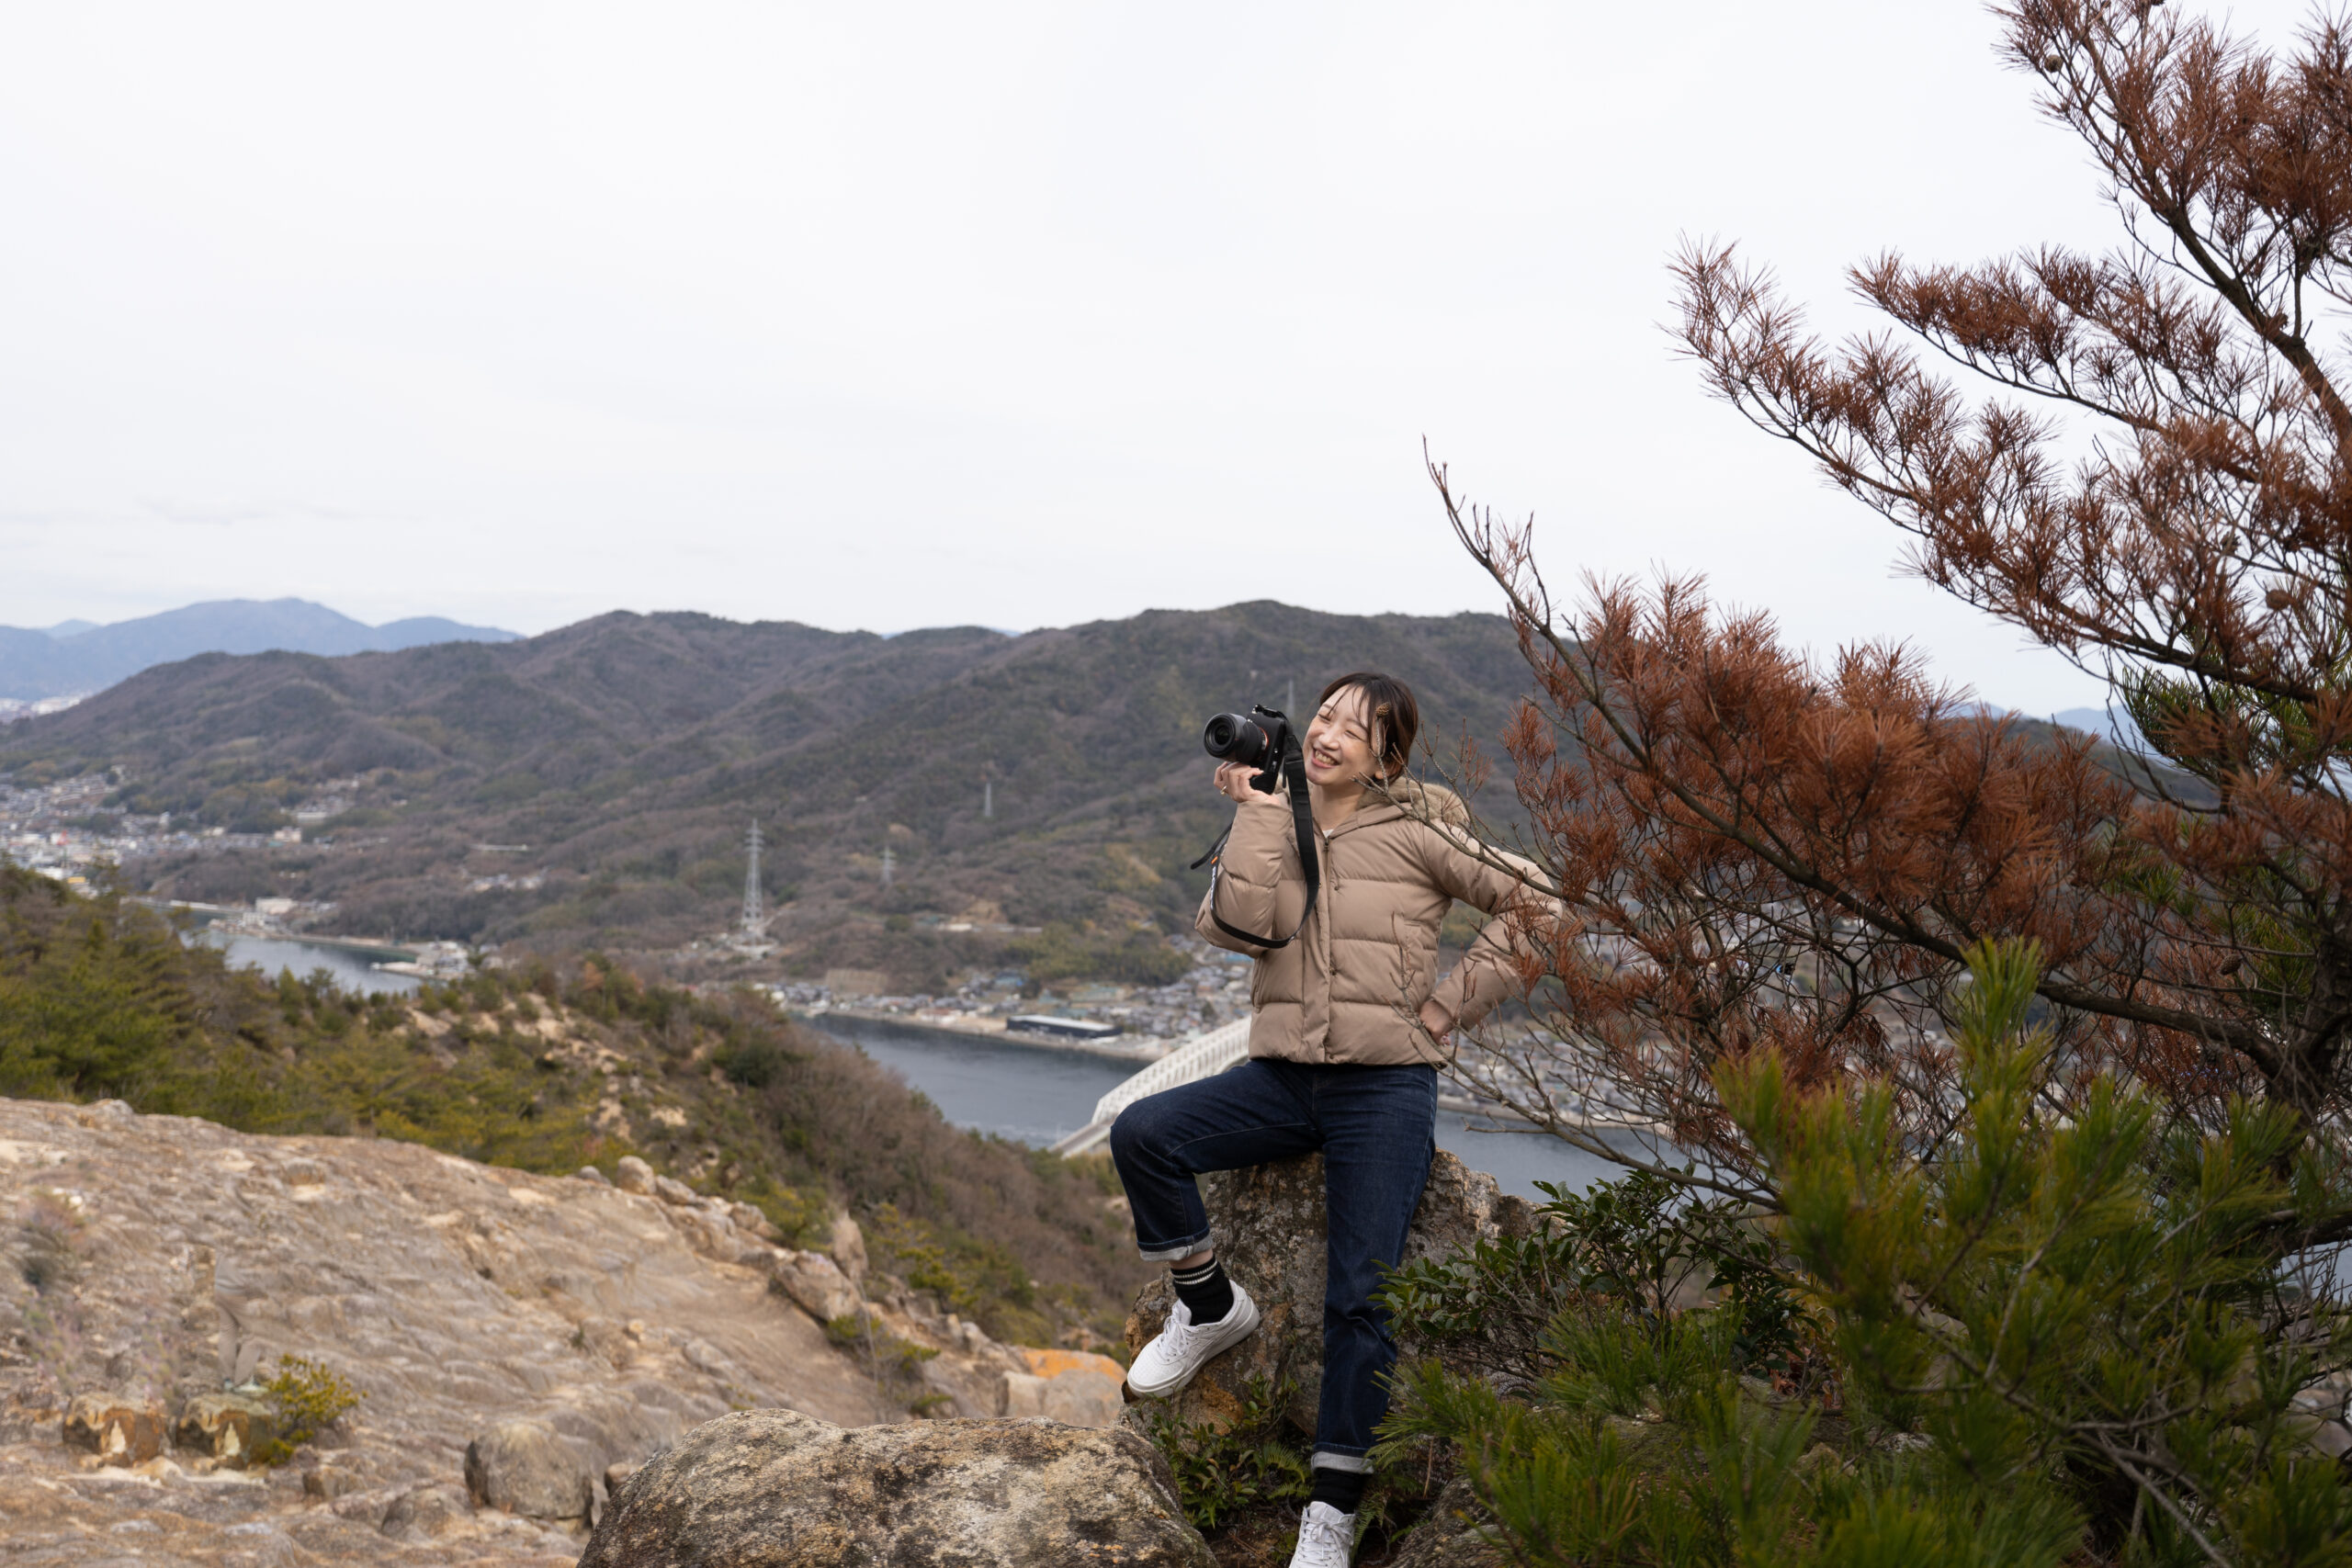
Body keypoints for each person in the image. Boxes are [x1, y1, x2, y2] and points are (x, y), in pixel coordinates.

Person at [1109, 671, 1545, 1568]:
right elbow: (1236, 924)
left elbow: (1541, 907)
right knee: (1144, 1135)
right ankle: (1210, 1307)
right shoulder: (1277, 816)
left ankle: (1329, 1515)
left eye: (1355, 726)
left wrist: (1444, 1009)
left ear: (1387, 757)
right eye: (1323, 716)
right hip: (1280, 1078)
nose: (1328, 733)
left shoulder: (1423, 832)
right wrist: (1260, 814)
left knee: (1360, 1302)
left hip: (1384, 1086)